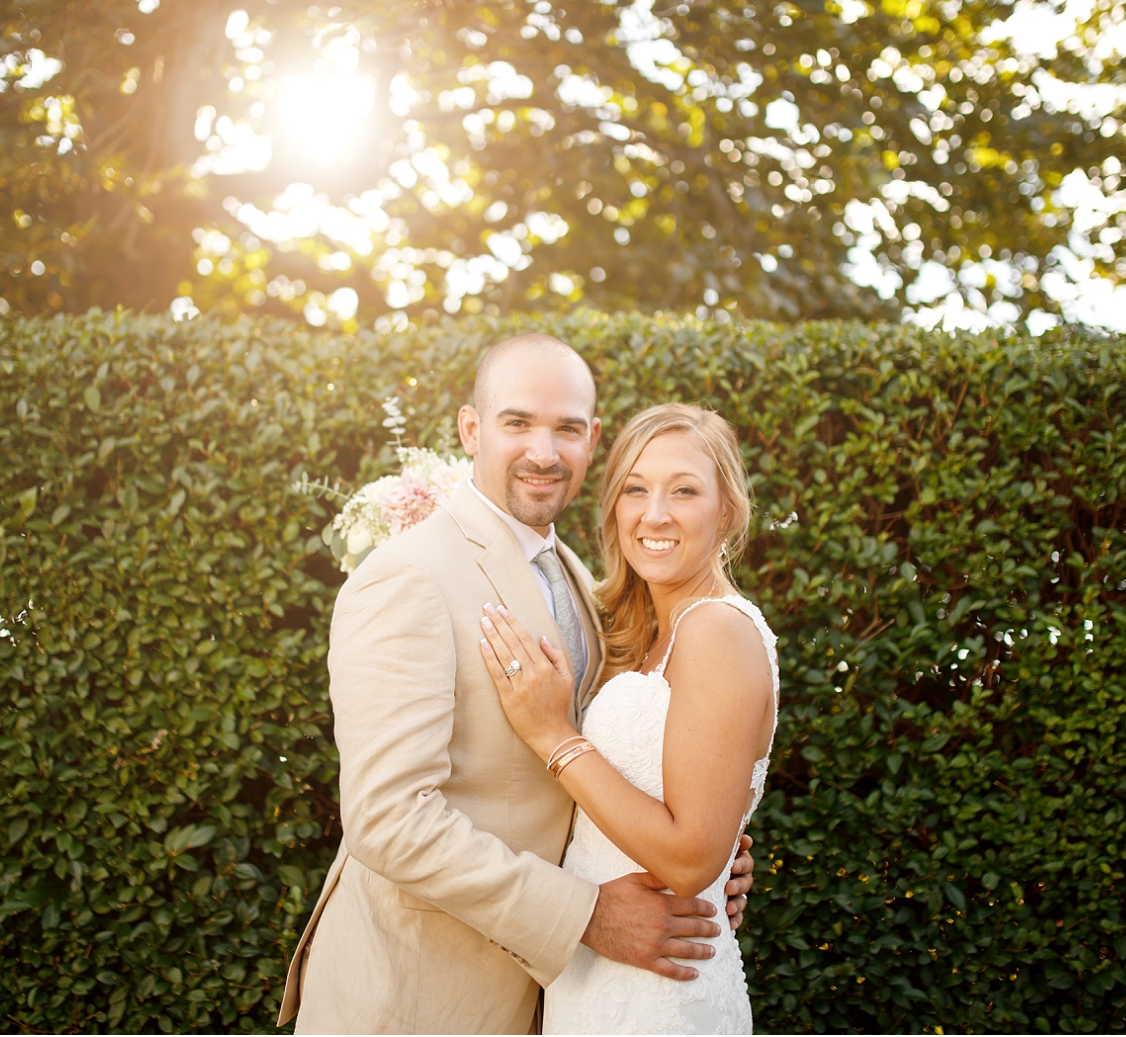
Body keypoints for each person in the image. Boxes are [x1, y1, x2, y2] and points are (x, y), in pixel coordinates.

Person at [278, 336, 755, 1034]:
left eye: (566, 428)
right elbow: (389, 817)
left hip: (558, 999)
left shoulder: (580, 579)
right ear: (471, 429)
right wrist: (587, 913)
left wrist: (702, 862)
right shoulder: (409, 575)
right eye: (517, 423)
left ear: (591, 440)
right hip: (416, 998)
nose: (543, 451)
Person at [479, 402, 778, 1034]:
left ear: (726, 510)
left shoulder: (717, 631)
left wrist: (553, 735)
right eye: (635, 490)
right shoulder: (642, 635)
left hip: (660, 999)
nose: (655, 514)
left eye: (685, 491)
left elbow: (691, 859)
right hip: (597, 979)